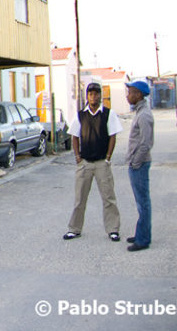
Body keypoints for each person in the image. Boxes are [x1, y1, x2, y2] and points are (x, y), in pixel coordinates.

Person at [63, 82, 122, 242]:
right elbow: (74, 136)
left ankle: (113, 229)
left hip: (102, 162)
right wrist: (77, 157)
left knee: (108, 197)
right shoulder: (80, 115)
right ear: (87, 96)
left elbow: (113, 136)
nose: (93, 96)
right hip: (85, 163)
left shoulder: (108, 114)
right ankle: (74, 229)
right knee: (80, 198)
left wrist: (108, 157)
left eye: (96, 93)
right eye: (90, 94)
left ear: (100, 95)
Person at [125, 79, 154, 252]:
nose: (128, 96)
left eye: (130, 92)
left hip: (140, 164)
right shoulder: (140, 112)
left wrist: (136, 162)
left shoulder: (144, 115)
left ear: (138, 94)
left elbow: (146, 143)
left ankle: (143, 240)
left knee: (143, 203)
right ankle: (141, 233)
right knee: (140, 202)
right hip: (137, 163)